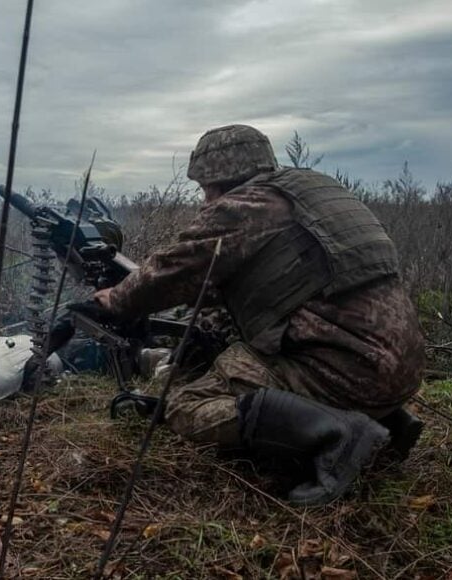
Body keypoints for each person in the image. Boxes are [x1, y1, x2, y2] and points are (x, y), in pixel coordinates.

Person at [90, 124, 427, 506]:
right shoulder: (311, 192)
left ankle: (341, 435)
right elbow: (278, 281)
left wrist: (116, 299)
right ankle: (385, 419)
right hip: (397, 365)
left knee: (186, 405)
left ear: (221, 179)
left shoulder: (248, 206)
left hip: (346, 370)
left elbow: (176, 268)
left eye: (205, 190)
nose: (204, 202)